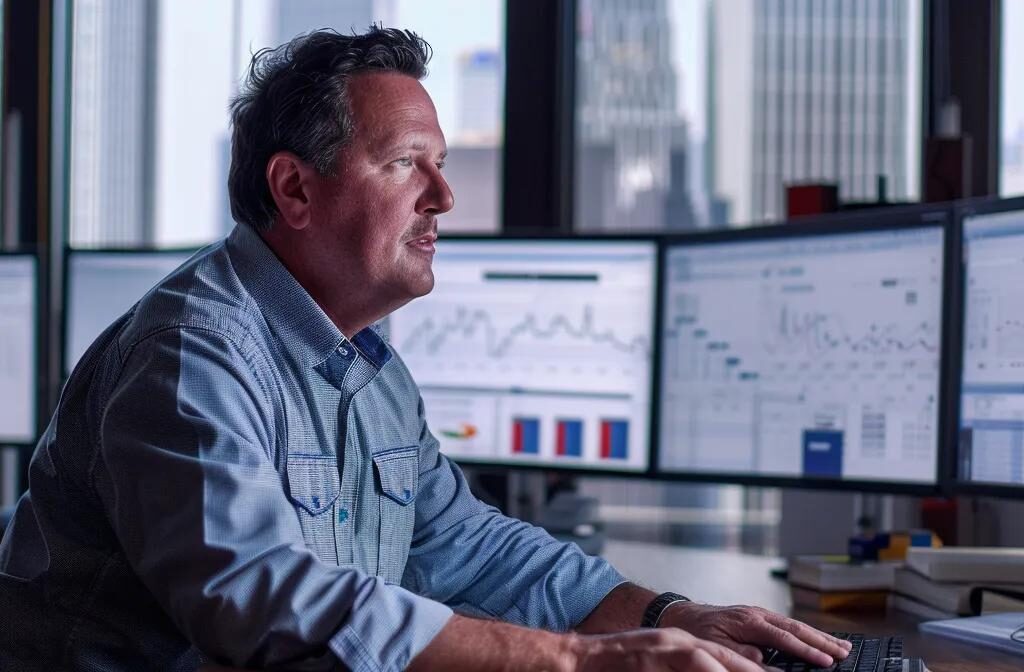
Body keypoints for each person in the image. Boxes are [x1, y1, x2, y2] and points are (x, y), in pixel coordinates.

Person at [0, 27, 851, 672]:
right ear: (294, 188)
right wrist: (582, 660)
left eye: (441, 166)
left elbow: (464, 545)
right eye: (410, 164)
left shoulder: (367, 367)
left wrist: (670, 612)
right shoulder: (193, 355)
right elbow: (257, 600)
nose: (444, 197)